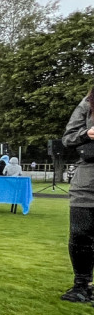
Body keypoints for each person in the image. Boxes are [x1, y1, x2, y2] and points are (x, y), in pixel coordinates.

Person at [60, 89, 94, 303]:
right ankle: (81, 286)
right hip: (87, 178)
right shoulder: (88, 103)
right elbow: (67, 139)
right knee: (80, 233)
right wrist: (86, 134)